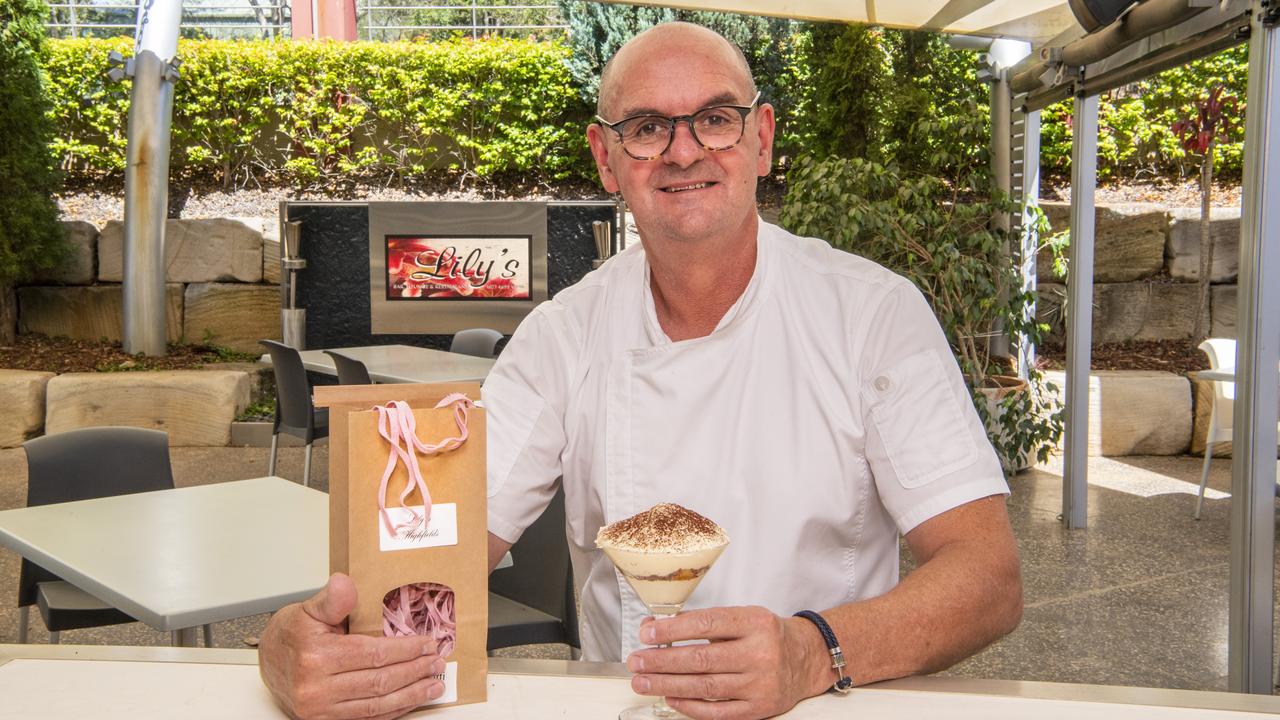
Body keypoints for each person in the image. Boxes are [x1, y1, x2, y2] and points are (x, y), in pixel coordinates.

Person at [259, 21, 1022, 720]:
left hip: (830, 703)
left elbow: (988, 576)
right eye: (648, 128)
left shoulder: (873, 315)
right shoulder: (564, 336)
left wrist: (810, 651)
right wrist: (310, 644)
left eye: (716, 119)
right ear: (607, 159)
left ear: (761, 138)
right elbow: (439, 552)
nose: (685, 151)